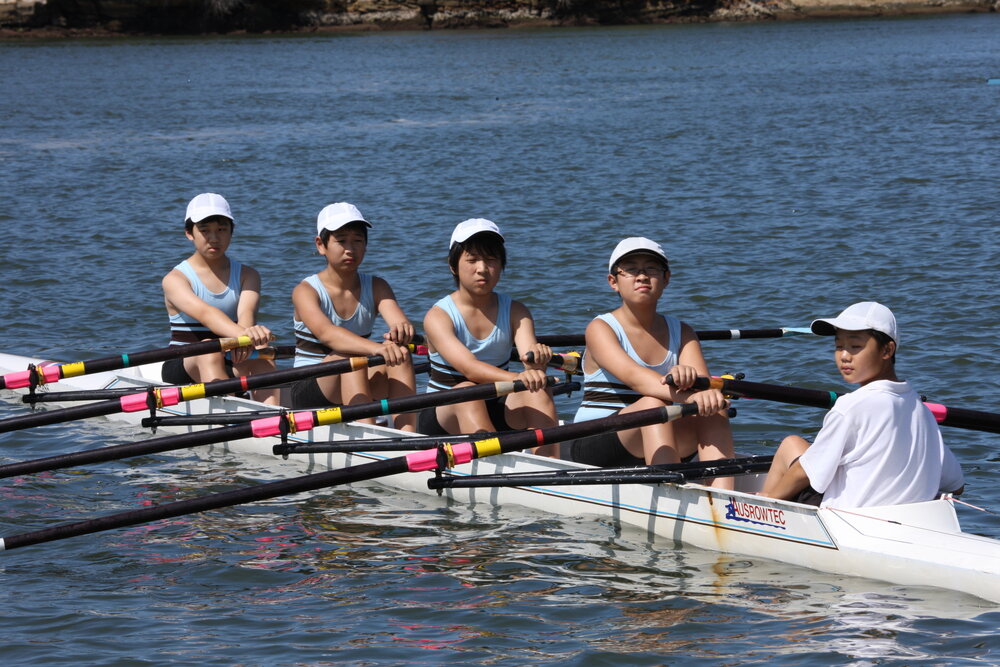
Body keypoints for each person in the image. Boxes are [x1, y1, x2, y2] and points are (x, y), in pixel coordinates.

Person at [562, 237, 735, 488]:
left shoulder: (683, 332)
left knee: (714, 408)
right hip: (594, 441)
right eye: (631, 269)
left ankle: (722, 499)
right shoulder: (600, 328)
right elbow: (636, 378)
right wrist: (690, 396)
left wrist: (698, 389)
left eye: (651, 269)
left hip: (657, 433)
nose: (642, 276)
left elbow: (703, 390)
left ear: (666, 279)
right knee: (653, 404)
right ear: (614, 282)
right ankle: (669, 495)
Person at [759, 301, 965, 508]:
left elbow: (803, 472)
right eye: (839, 346)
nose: (845, 356)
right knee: (795, 444)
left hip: (846, 521)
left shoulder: (850, 406)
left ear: (887, 350)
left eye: (855, 346)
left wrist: (765, 499)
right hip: (907, 521)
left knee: (789, 445)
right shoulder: (922, 411)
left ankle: (761, 512)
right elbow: (956, 486)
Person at [419, 219, 557, 451]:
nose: (482, 268)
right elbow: (470, 369)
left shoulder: (516, 311)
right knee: (467, 392)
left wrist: (538, 364)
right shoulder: (438, 316)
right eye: (472, 260)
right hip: (444, 414)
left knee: (538, 389)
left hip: (496, 402)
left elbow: (529, 361)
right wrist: (517, 378)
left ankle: (549, 469)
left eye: (491, 260)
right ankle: (496, 467)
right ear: (453, 266)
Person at [289, 202, 417, 431]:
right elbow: (328, 335)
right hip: (309, 389)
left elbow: (398, 319)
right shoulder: (305, 291)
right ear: (321, 245)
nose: (350, 249)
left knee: (401, 354)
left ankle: (408, 435)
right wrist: (376, 348)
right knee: (350, 357)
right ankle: (365, 435)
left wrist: (402, 330)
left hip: (354, 377)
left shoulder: (377, 286)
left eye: (357, 241)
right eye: (341, 240)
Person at [162, 192, 277, 404]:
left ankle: (272, 420)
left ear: (231, 232)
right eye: (205, 231)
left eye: (222, 230)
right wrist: (246, 337)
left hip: (231, 353)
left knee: (262, 355)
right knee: (210, 348)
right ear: (189, 233)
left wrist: (251, 340)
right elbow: (207, 315)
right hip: (184, 361)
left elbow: (246, 315)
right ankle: (228, 421)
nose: (214, 238)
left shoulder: (248, 275)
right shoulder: (175, 279)